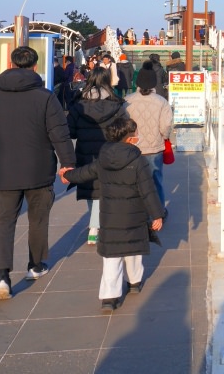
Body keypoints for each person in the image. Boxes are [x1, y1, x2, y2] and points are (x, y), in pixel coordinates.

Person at [0, 46, 75, 301]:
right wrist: (67, 165)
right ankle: (35, 265)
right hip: (39, 169)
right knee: (38, 219)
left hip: (4, 170)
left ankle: (2, 278)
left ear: (11, 63)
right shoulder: (45, 97)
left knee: (3, 222)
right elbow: (59, 134)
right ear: (35, 66)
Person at [62, 117, 165, 312]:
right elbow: (148, 190)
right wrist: (157, 215)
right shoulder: (138, 161)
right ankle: (134, 282)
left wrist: (67, 175)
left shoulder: (103, 158)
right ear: (129, 139)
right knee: (133, 251)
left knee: (111, 258)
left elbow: (85, 173)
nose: (137, 137)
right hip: (133, 215)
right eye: (134, 134)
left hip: (110, 216)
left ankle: (109, 297)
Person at [66, 65, 126, 245]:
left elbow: (71, 132)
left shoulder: (78, 105)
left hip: (85, 153)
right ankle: (97, 225)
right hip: (109, 152)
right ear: (107, 81)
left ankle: (94, 225)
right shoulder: (117, 104)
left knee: (90, 188)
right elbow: (123, 129)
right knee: (104, 189)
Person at [125, 64, 174, 213]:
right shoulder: (161, 102)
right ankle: (158, 211)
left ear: (137, 83)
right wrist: (163, 137)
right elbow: (166, 126)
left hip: (132, 149)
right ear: (153, 83)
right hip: (154, 148)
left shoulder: (127, 101)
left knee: (133, 182)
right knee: (155, 181)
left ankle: (136, 212)